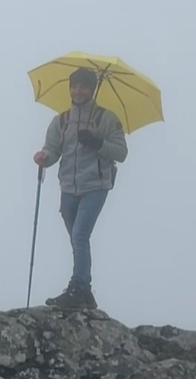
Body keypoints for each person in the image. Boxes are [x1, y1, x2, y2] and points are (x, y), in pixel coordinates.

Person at [33, 67, 128, 309]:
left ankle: (77, 287)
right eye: (74, 86)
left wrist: (97, 142)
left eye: (83, 86)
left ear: (92, 89)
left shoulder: (106, 119)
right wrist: (45, 156)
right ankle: (84, 291)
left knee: (79, 236)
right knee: (77, 239)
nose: (78, 91)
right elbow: (53, 148)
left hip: (96, 185)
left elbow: (121, 152)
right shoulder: (61, 120)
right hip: (67, 186)